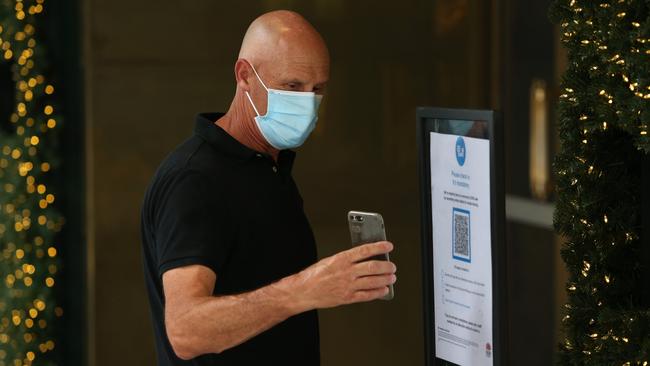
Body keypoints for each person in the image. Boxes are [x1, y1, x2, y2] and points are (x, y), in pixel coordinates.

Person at [140, 10, 397, 366]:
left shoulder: (267, 165)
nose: (307, 103)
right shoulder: (195, 180)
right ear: (245, 75)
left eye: (318, 89)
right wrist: (304, 291)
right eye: (292, 86)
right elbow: (185, 330)